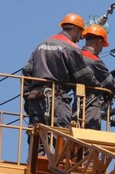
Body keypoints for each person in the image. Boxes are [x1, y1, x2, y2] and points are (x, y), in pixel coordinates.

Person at [22, 14, 103, 143]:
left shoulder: (42, 44)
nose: (80, 38)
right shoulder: (70, 47)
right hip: (56, 100)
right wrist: (99, 87)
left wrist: (27, 95)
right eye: (81, 33)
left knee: (37, 141)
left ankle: (37, 160)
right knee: (62, 141)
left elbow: (26, 71)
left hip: (35, 99)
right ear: (76, 29)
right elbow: (83, 75)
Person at [80, 24, 115, 130]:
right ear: (99, 41)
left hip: (78, 103)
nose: (102, 49)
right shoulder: (94, 60)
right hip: (91, 105)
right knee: (91, 137)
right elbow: (109, 83)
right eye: (102, 45)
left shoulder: (78, 56)